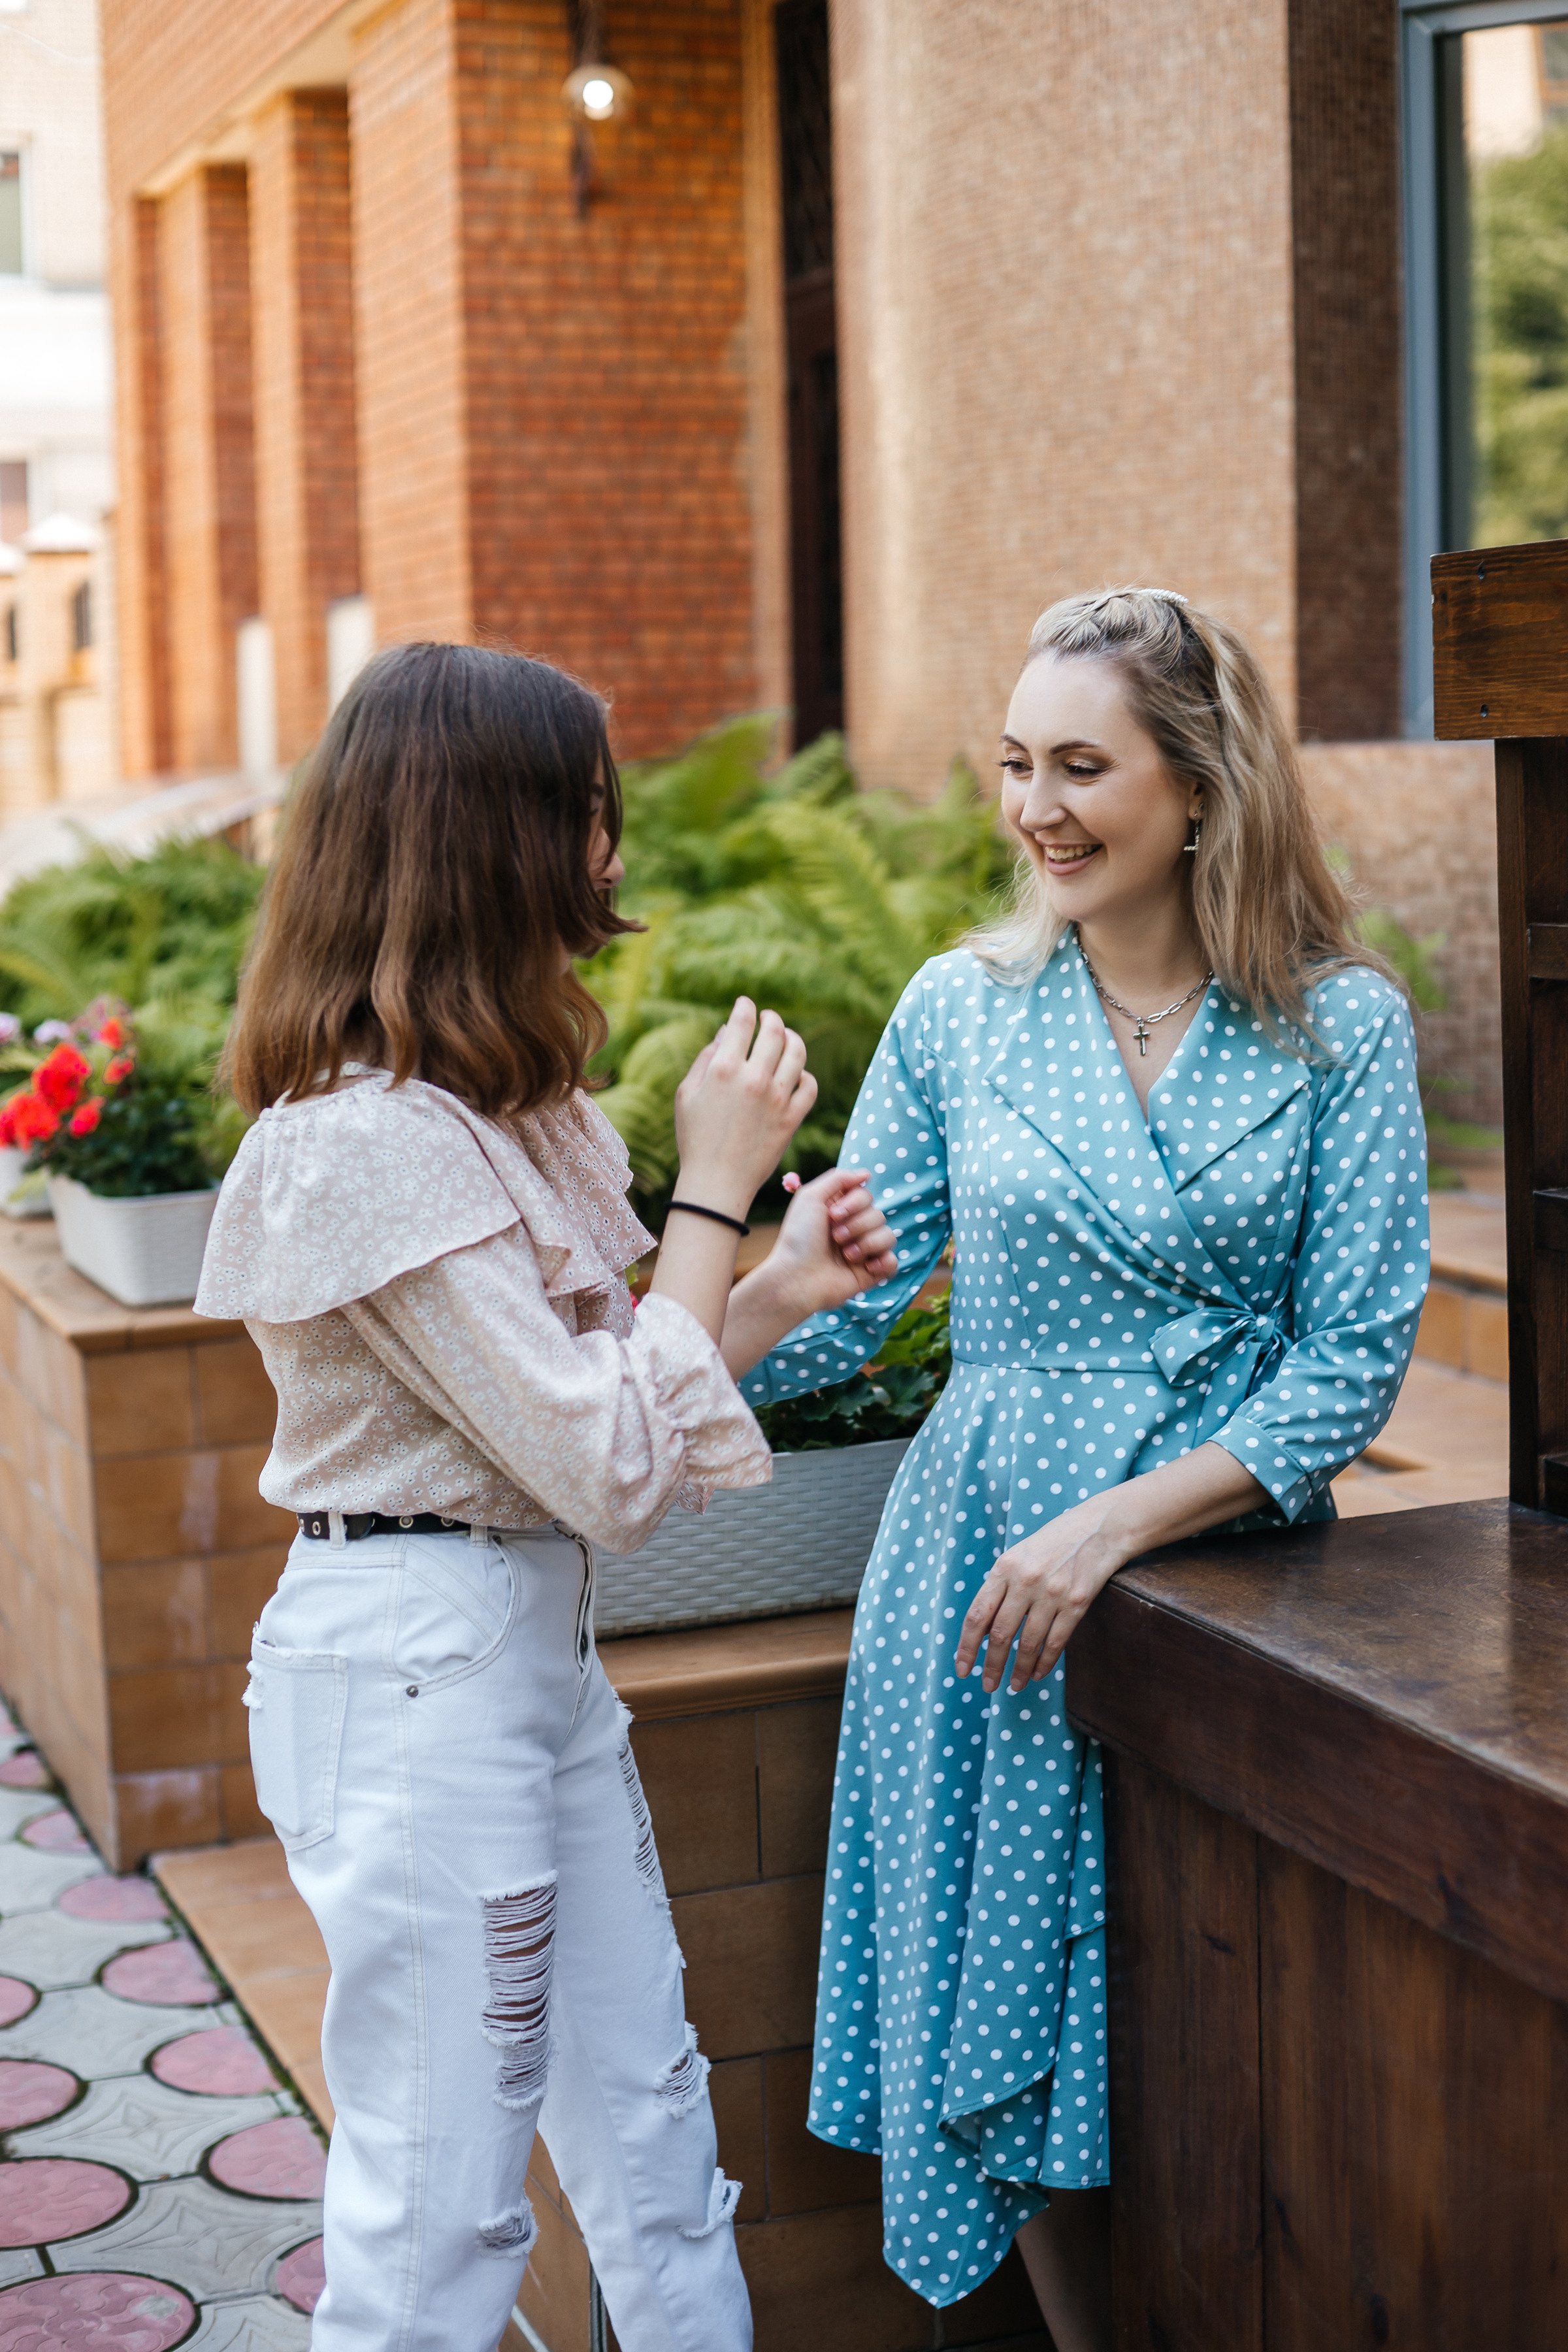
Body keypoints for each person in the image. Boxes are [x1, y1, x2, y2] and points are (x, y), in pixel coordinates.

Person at [740, 587, 1430, 2351]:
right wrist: (698, 1301)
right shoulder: (958, 1013)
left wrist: (1112, 1528)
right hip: (984, 1591)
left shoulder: (1339, 1030)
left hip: (1227, 1583)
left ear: (1201, 789)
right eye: (1012, 766)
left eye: (1079, 766)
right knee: (1007, 2035)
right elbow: (835, 1313)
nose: (1033, 808)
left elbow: (1350, 1358)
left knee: (1195, 2014)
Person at [193, 641, 898, 2352]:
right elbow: (602, 1459)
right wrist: (718, 1193)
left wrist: (785, 1280)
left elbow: (612, 1400)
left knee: (653, 2128)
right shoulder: (365, 1140)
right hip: (416, 1679)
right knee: (442, 2206)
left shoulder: (502, 1111)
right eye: (586, 811)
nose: (612, 849)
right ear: (484, 834)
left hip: (517, 1662)